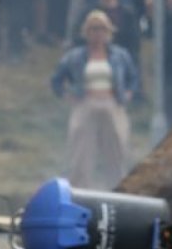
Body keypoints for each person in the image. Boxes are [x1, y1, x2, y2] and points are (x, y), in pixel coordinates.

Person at [50, 11, 140, 190]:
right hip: (85, 103)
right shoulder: (75, 56)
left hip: (112, 103)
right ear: (86, 32)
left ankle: (117, 190)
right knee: (81, 152)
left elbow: (133, 77)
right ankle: (80, 191)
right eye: (93, 29)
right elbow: (56, 80)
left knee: (116, 150)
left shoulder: (120, 55)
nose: (98, 33)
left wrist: (128, 93)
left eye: (101, 29)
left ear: (108, 32)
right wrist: (67, 95)